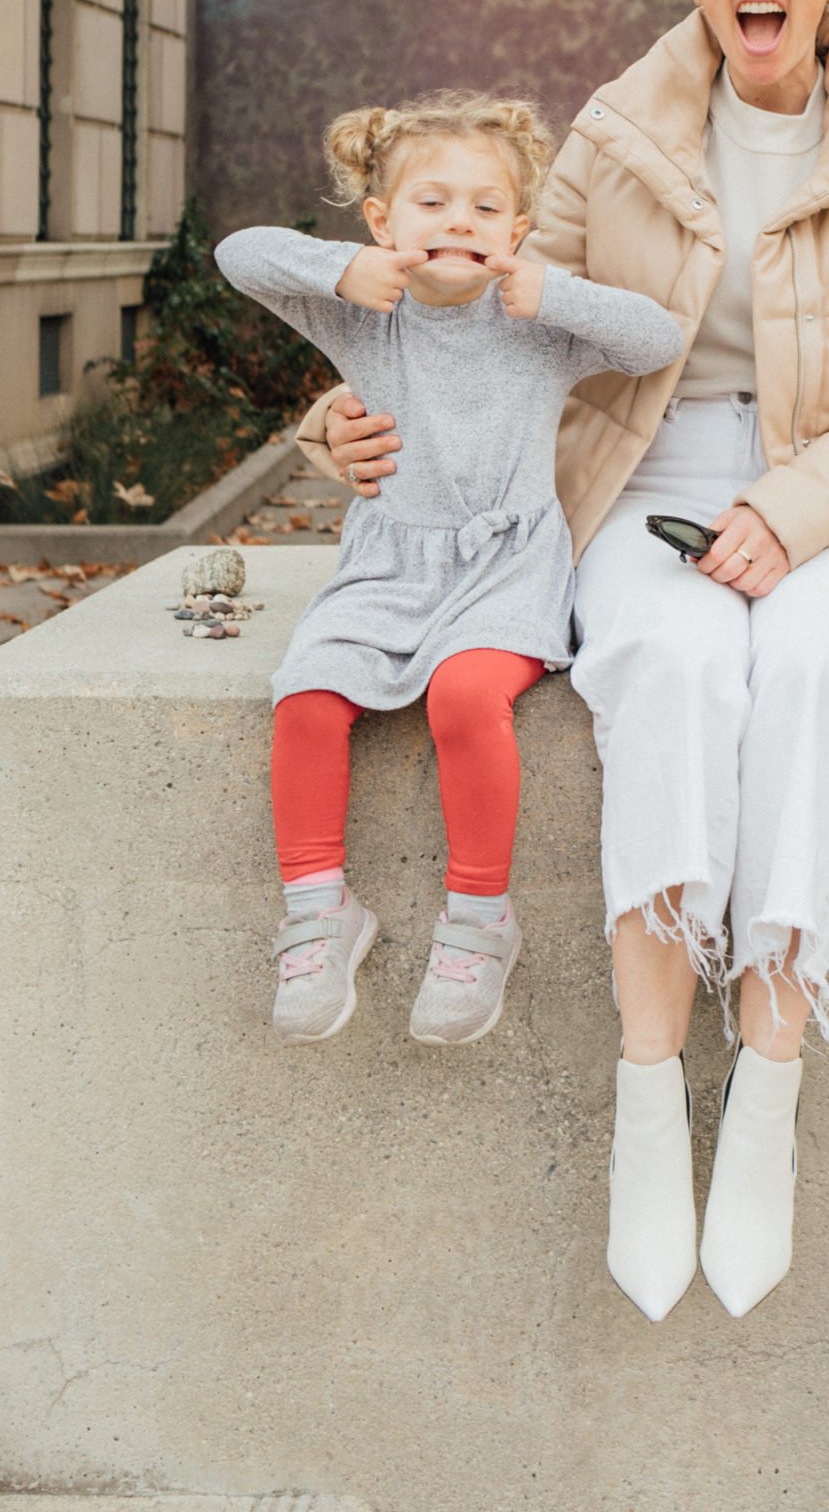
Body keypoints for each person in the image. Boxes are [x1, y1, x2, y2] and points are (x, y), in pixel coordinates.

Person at [302, 0, 829, 1319]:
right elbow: (471, 311)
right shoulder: (611, 136)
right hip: (639, 481)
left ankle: (768, 1084)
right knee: (667, 662)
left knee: (817, 668)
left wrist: (795, 511)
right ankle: (647, 1092)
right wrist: (338, 426)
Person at [216, 89, 683, 1049]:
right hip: (387, 565)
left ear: (516, 228)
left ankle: (477, 923)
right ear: (383, 221)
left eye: (483, 206)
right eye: (431, 203)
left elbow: (656, 340)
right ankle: (318, 913)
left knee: (466, 697)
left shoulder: (532, 318)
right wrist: (343, 268)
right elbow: (239, 254)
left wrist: (551, 289)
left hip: (507, 568)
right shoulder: (365, 316)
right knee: (306, 695)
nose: (458, 221)